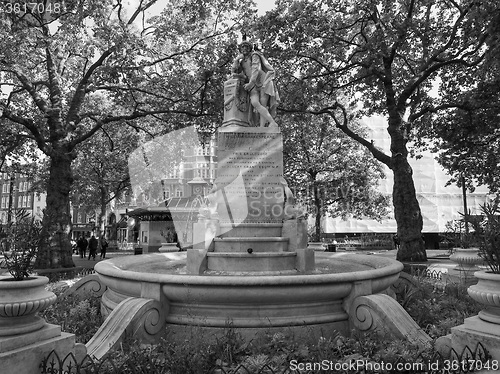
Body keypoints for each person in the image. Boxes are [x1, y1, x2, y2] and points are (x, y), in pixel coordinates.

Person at [231, 39, 280, 128]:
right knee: (255, 103)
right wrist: (236, 60)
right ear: (240, 50)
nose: (244, 48)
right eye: (242, 47)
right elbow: (234, 71)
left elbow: (255, 69)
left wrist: (251, 83)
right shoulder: (241, 62)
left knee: (263, 104)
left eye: (246, 46)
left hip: (263, 81)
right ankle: (272, 122)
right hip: (252, 84)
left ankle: (262, 128)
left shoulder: (254, 55)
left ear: (250, 48)